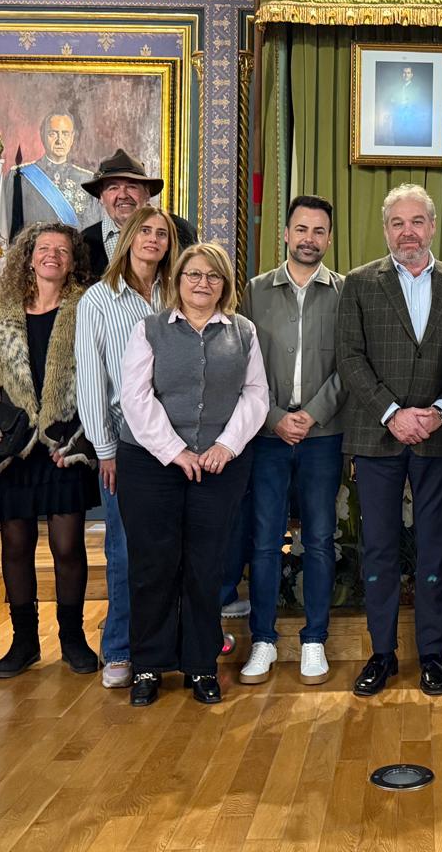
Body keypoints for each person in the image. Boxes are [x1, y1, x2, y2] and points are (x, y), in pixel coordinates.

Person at [335, 182, 442, 698]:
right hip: (379, 435)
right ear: (385, 229)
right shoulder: (359, 283)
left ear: (433, 226)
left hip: (438, 436)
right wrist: (392, 413)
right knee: (378, 548)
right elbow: (349, 357)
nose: (408, 231)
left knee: (435, 547)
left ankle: (433, 654)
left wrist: (439, 412)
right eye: (398, 223)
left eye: (417, 221)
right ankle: (382, 653)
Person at [118, 242, 267, 706]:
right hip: (150, 463)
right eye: (194, 275)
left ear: (224, 285)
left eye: (213, 276)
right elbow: (135, 396)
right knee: (153, 566)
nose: (203, 283)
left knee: (207, 567)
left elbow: (256, 394)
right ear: (177, 280)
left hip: (219, 465)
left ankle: (201, 665)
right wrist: (175, 451)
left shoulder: (243, 331)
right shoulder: (149, 329)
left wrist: (227, 445)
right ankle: (148, 666)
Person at [0, 222, 101, 679]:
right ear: (28, 256)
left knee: (68, 545)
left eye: (63, 250)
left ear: (73, 261)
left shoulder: (88, 308)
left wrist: (84, 440)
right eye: (44, 248)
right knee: (16, 544)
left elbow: (101, 380)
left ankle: (73, 638)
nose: (52, 256)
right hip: (12, 445)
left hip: (66, 442)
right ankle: (23, 641)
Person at [237, 195, 345, 686]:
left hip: (324, 435)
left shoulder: (345, 293)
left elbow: (350, 365)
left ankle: (314, 639)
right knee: (264, 540)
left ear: (329, 238)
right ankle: (263, 640)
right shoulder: (254, 292)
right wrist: (277, 417)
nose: (309, 239)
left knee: (320, 539)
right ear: (285, 233)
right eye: (301, 229)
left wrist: (313, 414)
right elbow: (240, 364)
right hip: (267, 434)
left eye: (319, 231)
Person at [75, 204, 177, 690]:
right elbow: (91, 378)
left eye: (162, 233)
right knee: (125, 548)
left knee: (173, 548)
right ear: (128, 238)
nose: (153, 239)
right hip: (126, 444)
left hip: (178, 441)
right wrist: (104, 449)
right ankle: (118, 645)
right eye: (145, 231)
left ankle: (168, 644)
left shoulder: (176, 293)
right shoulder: (99, 299)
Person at [79, 149, 198, 281]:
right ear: (101, 197)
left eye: (132, 186)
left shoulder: (180, 230)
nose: (123, 195)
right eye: (113, 188)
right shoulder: (85, 241)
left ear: (147, 193)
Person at [9, 111, 102, 233]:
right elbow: (11, 229)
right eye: (53, 134)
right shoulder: (20, 177)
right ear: (42, 136)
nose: (59, 140)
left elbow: (93, 231)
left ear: (72, 138)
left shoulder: (87, 179)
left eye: (65, 134)